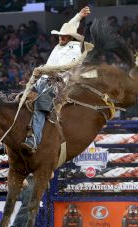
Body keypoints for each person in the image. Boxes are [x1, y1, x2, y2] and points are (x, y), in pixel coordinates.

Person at [21, 6, 91, 153]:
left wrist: (44, 70)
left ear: (71, 37)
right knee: (20, 100)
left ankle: (34, 140)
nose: (61, 38)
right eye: (60, 35)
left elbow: (65, 68)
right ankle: (8, 140)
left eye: (64, 36)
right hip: (43, 79)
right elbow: (71, 24)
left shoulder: (75, 49)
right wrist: (79, 15)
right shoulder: (61, 45)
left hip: (55, 84)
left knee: (40, 108)